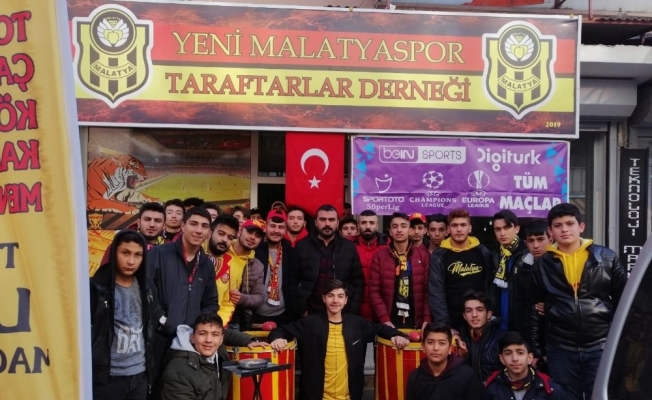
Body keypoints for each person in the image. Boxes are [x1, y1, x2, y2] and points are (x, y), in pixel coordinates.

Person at [530, 203, 627, 400]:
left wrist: (622, 342)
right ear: (550, 231)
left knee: (601, 396)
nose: (564, 229)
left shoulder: (606, 258)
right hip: (560, 347)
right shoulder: (541, 265)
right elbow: (534, 309)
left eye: (569, 223)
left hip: (600, 344)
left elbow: (623, 303)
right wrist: (538, 350)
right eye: (558, 225)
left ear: (581, 227)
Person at [268, 279, 410, 400]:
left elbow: (380, 329)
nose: (335, 300)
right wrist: (277, 338)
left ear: (346, 300)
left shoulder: (357, 323)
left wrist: (397, 335)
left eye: (340, 296)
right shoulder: (310, 323)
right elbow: (281, 330)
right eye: (331, 296)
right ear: (324, 299)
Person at [146, 207, 218, 392]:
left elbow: (211, 302)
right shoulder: (159, 253)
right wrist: (162, 319)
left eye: (204, 226)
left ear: (209, 232)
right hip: (160, 337)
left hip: (190, 342)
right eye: (193, 224)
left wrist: (198, 329)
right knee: (155, 388)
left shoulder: (206, 264)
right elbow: (146, 291)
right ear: (183, 226)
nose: (198, 230)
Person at [91, 231, 158, 400]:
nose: (131, 261)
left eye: (138, 255)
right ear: (114, 253)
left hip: (139, 374)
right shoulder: (97, 288)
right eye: (125, 253)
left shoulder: (147, 288)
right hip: (107, 378)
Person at [160, 313, 267, 400]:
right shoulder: (178, 372)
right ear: (192, 337)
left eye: (214, 335)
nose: (209, 340)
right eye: (202, 333)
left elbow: (228, 334)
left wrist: (248, 340)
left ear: (221, 340)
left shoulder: (217, 352)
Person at [291, 204, 365, 316]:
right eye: (322, 219)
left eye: (331, 220)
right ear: (316, 222)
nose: (327, 224)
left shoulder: (349, 248)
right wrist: (301, 310)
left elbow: (357, 282)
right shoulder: (302, 247)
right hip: (310, 313)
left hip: (341, 313)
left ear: (338, 223)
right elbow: (292, 281)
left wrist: (350, 311)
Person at [429, 208, 493, 332]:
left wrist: (489, 314)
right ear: (448, 229)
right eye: (455, 225)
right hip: (451, 322)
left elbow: (491, 286)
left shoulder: (483, 252)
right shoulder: (439, 256)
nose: (459, 229)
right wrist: (446, 326)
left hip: (481, 321)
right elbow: (436, 293)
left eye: (463, 225)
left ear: (470, 228)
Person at [369, 212, 431, 330]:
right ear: (390, 232)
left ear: (410, 230)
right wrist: (384, 320)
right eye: (395, 226)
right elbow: (374, 291)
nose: (399, 230)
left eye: (403, 226)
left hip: (417, 322)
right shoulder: (379, 256)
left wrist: (427, 318)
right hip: (389, 321)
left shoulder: (424, 256)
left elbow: (429, 290)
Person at [406, 322, 483, 400]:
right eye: (430, 342)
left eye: (441, 343)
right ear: (423, 347)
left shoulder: (467, 375)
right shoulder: (415, 378)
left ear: (450, 349)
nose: (436, 348)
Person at [491, 210, 536, 338]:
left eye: (507, 228)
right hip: (500, 323)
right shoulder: (494, 255)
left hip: (522, 325)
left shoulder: (529, 253)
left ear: (517, 229)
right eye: (498, 229)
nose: (502, 233)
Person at [483, 332, 566, 400]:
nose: (515, 358)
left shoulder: (549, 389)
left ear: (530, 358)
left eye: (520, 353)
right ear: (502, 359)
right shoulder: (491, 387)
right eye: (508, 353)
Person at [217, 219, 266, 329]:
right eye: (249, 232)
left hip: (234, 321)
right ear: (239, 232)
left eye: (258, 236)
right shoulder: (220, 250)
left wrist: (242, 299)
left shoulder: (257, 266)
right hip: (209, 312)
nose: (253, 237)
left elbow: (261, 297)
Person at [253, 210, 293, 325]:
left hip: (283, 316)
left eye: (281, 227)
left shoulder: (291, 252)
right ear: (265, 227)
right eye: (272, 226)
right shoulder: (254, 250)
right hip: (255, 315)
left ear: (285, 230)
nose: (276, 230)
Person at [458, 290, 504, 382]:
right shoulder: (462, 339)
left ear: (488, 314)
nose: (474, 315)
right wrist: (462, 356)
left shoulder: (502, 339)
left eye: (479, 310)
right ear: (464, 316)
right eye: (469, 311)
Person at [100, 202, 165, 266]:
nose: (152, 225)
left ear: (163, 226)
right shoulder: (119, 245)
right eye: (147, 219)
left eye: (157, 221)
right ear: (139, 223)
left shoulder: (169, 249)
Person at [353, 209, 386, 321]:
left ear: (377, 226)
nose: (367, 226)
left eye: (371, 223)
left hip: (382, 307)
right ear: (358, 226)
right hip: (356, 306)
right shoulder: (349, 247)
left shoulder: (387, 246)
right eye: (364, 223)